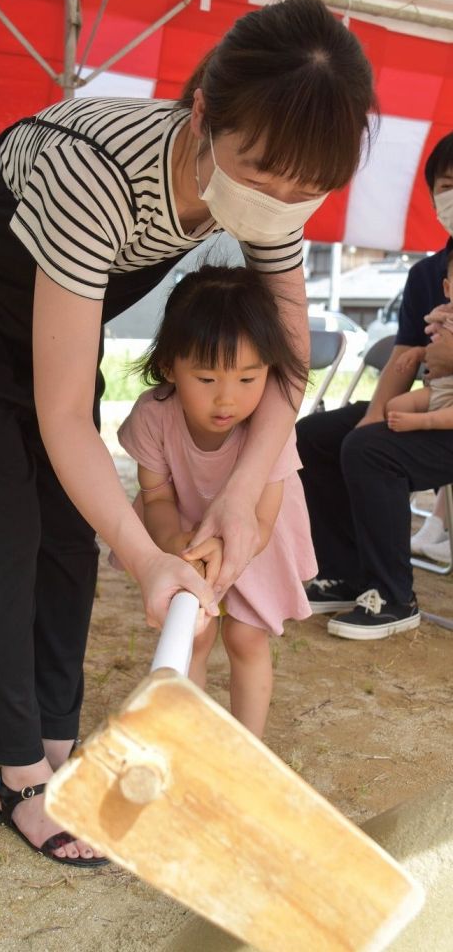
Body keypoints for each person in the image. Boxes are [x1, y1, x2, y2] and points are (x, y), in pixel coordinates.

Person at [0, 0, 374, 865]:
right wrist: (146, 555)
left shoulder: (273, 198)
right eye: (261, 175)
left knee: (66, 529)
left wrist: (245, 497)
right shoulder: (91, 170)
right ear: (206, 112)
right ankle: (17, 773)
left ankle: (53, 739)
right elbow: (69, 417)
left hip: (52, 306)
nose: (279, 205)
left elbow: (286, 364)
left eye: (305, 190)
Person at [114, 265, 317, 738]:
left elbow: (263, 519)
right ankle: (190, 743)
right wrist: (173, 541)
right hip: (186, 536)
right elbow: (156, 495)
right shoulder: (154, 415)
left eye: (249, 379)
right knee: (192, 635)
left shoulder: (269, 425)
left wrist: (229, 550)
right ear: (169, 365)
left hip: (256, 544)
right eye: (206, 379)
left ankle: (248, 745)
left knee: (246, 637)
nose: (228, 399)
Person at [297, 132, 453, 640]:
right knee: (317, 435)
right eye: (448, 185)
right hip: (434, 400)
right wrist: (370, 415)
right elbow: (408, 354)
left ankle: (392, 596)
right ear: (432, 196)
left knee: (371, 450)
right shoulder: (430, 273)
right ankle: (343, 573)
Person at [386, 249, 453, 432]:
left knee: (363, 444)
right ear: (447, 288)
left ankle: (426, 421)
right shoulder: (444, 319)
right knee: (393, 407)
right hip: (437, 388)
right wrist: (418, 353)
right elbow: (435, 351)